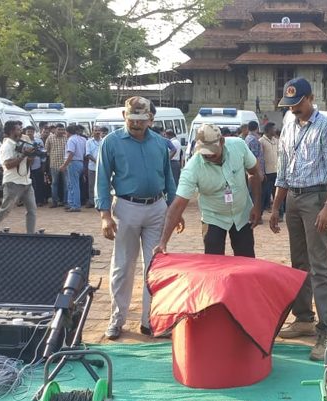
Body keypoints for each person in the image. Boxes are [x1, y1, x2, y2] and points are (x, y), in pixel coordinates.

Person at [269, 77, 327, 361]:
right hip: (293, 199)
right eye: (289, 105)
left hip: (316, 198)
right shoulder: (288, 125)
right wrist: (276, 207)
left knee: (320, 265)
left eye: (297, 104)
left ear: (310, 98)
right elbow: (284, 171)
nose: (293, 109)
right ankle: (303, 318)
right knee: (299, 263)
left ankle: (325, 331)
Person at [95, 97, 177, 340]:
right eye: (132, 118)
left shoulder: (161, 144)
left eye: (141, 120)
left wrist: (173, 211)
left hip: (157, 207)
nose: (136, 124)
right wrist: (105, 215)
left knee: (154, 267)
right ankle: (117, 320)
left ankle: (150, 321)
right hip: (126, 207)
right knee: (122, 267)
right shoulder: (111, 142)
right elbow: (101, 179)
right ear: (124, 115)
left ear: (151, 119)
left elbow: (168, 178)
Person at [154, 124, 262, 257]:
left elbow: (254, 173)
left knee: (246, 260)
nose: (209, 156)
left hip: (242, 214)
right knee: (213, 263)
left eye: (213, 152)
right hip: (213, 218)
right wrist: (163, 242)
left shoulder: (238, 146)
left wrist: (257, 205)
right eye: (205, 153)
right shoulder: (192, 168)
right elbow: (178, 205)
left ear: (222, 141)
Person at [0, 121, 37, 244]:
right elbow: (8, 165)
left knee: (32, 210)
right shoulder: (7, 146)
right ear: (11, 131)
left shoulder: (20, 144)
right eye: (18, 130)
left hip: (26, 181)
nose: (21, 132)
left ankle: (30, 236)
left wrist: (31, 156)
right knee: (5, 210)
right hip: (12, 182)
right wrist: (23, 155)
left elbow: (27, 164)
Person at [59, 124, 87, 212]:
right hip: (80, 162)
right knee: (71, 184)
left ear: (68, 132)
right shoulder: (82, 139)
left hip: (73, 162)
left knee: (73, 185)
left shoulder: (71, 140)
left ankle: (75, 205)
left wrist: (64, 165)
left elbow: (71, 153)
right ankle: (71, 203)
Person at [260, 122, 280, 215]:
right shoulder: (261, 141)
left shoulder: (276, 141)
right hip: (266, 172)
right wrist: (262, 172)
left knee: (277, 194)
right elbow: (260, 158)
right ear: (268, 130)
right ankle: (260, 215)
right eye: (273, 129)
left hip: (276, 171)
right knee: (264, 194)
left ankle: (279, 214)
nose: (275, 130)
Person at [45, 124, 67, 208]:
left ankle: (65, 201)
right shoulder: (50, 138)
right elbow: (46, 150)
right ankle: (54, 202)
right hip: (54, 164)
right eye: (59, 129)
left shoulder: (66, 138)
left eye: (62, 129)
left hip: (65, 165)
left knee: (66, 184)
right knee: (54, 183)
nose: (61, 131)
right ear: (55, 130)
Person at [86, 126, 106, 208]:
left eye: (99, 130)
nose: (97, 132)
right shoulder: (89, 142)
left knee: (102, 185)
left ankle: (101, 202)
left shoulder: (104, 141)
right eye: (95, 131)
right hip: (92, 167)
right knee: (92, 185)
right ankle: (92, 202)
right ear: (92, 132)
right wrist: (96, 161)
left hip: (103, 167)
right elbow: (88, 154)